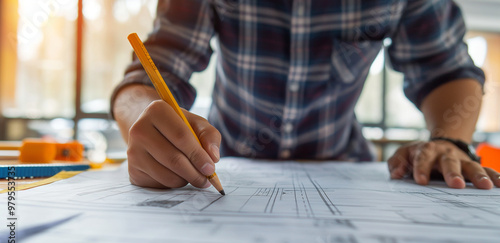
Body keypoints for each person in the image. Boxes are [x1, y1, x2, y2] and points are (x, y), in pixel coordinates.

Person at [111, 0, 500, 190]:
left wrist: (449, 140)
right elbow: (155, 68)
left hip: (346, 173)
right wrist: (143, 117)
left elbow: (445, 69)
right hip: (222, 163)